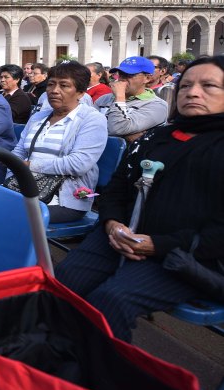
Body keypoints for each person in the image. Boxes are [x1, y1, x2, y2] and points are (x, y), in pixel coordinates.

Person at [56, 55, 224, 342]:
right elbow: (118, 187)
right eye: (185, 86)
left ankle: (100, 376)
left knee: (110, 302)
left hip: (185, 255)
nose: (193, 92)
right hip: (121, 235)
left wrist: (157, 244)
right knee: (63, 283)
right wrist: (111, 223)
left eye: (208, 86)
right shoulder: (158, 137)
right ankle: (54, 355)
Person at [10, 62, 108, 223]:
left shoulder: (92, 119)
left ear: (81, 93)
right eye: (51, 84)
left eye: (64, 85)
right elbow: (18, 152)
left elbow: (78, 164)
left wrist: (29, 166)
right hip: (26, 187)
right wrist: (12, 177)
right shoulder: (38, 117)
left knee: (8, 216)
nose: (54, 91)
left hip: (64, 198)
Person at [95, 56, 168, 142]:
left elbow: (117, 128)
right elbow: (84, 126)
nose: (122, 80)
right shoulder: (104, 99)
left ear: (147, 78)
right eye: (121, 75)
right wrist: (125, 136)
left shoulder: (157, 106)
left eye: (128, 75)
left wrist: (120, 98)